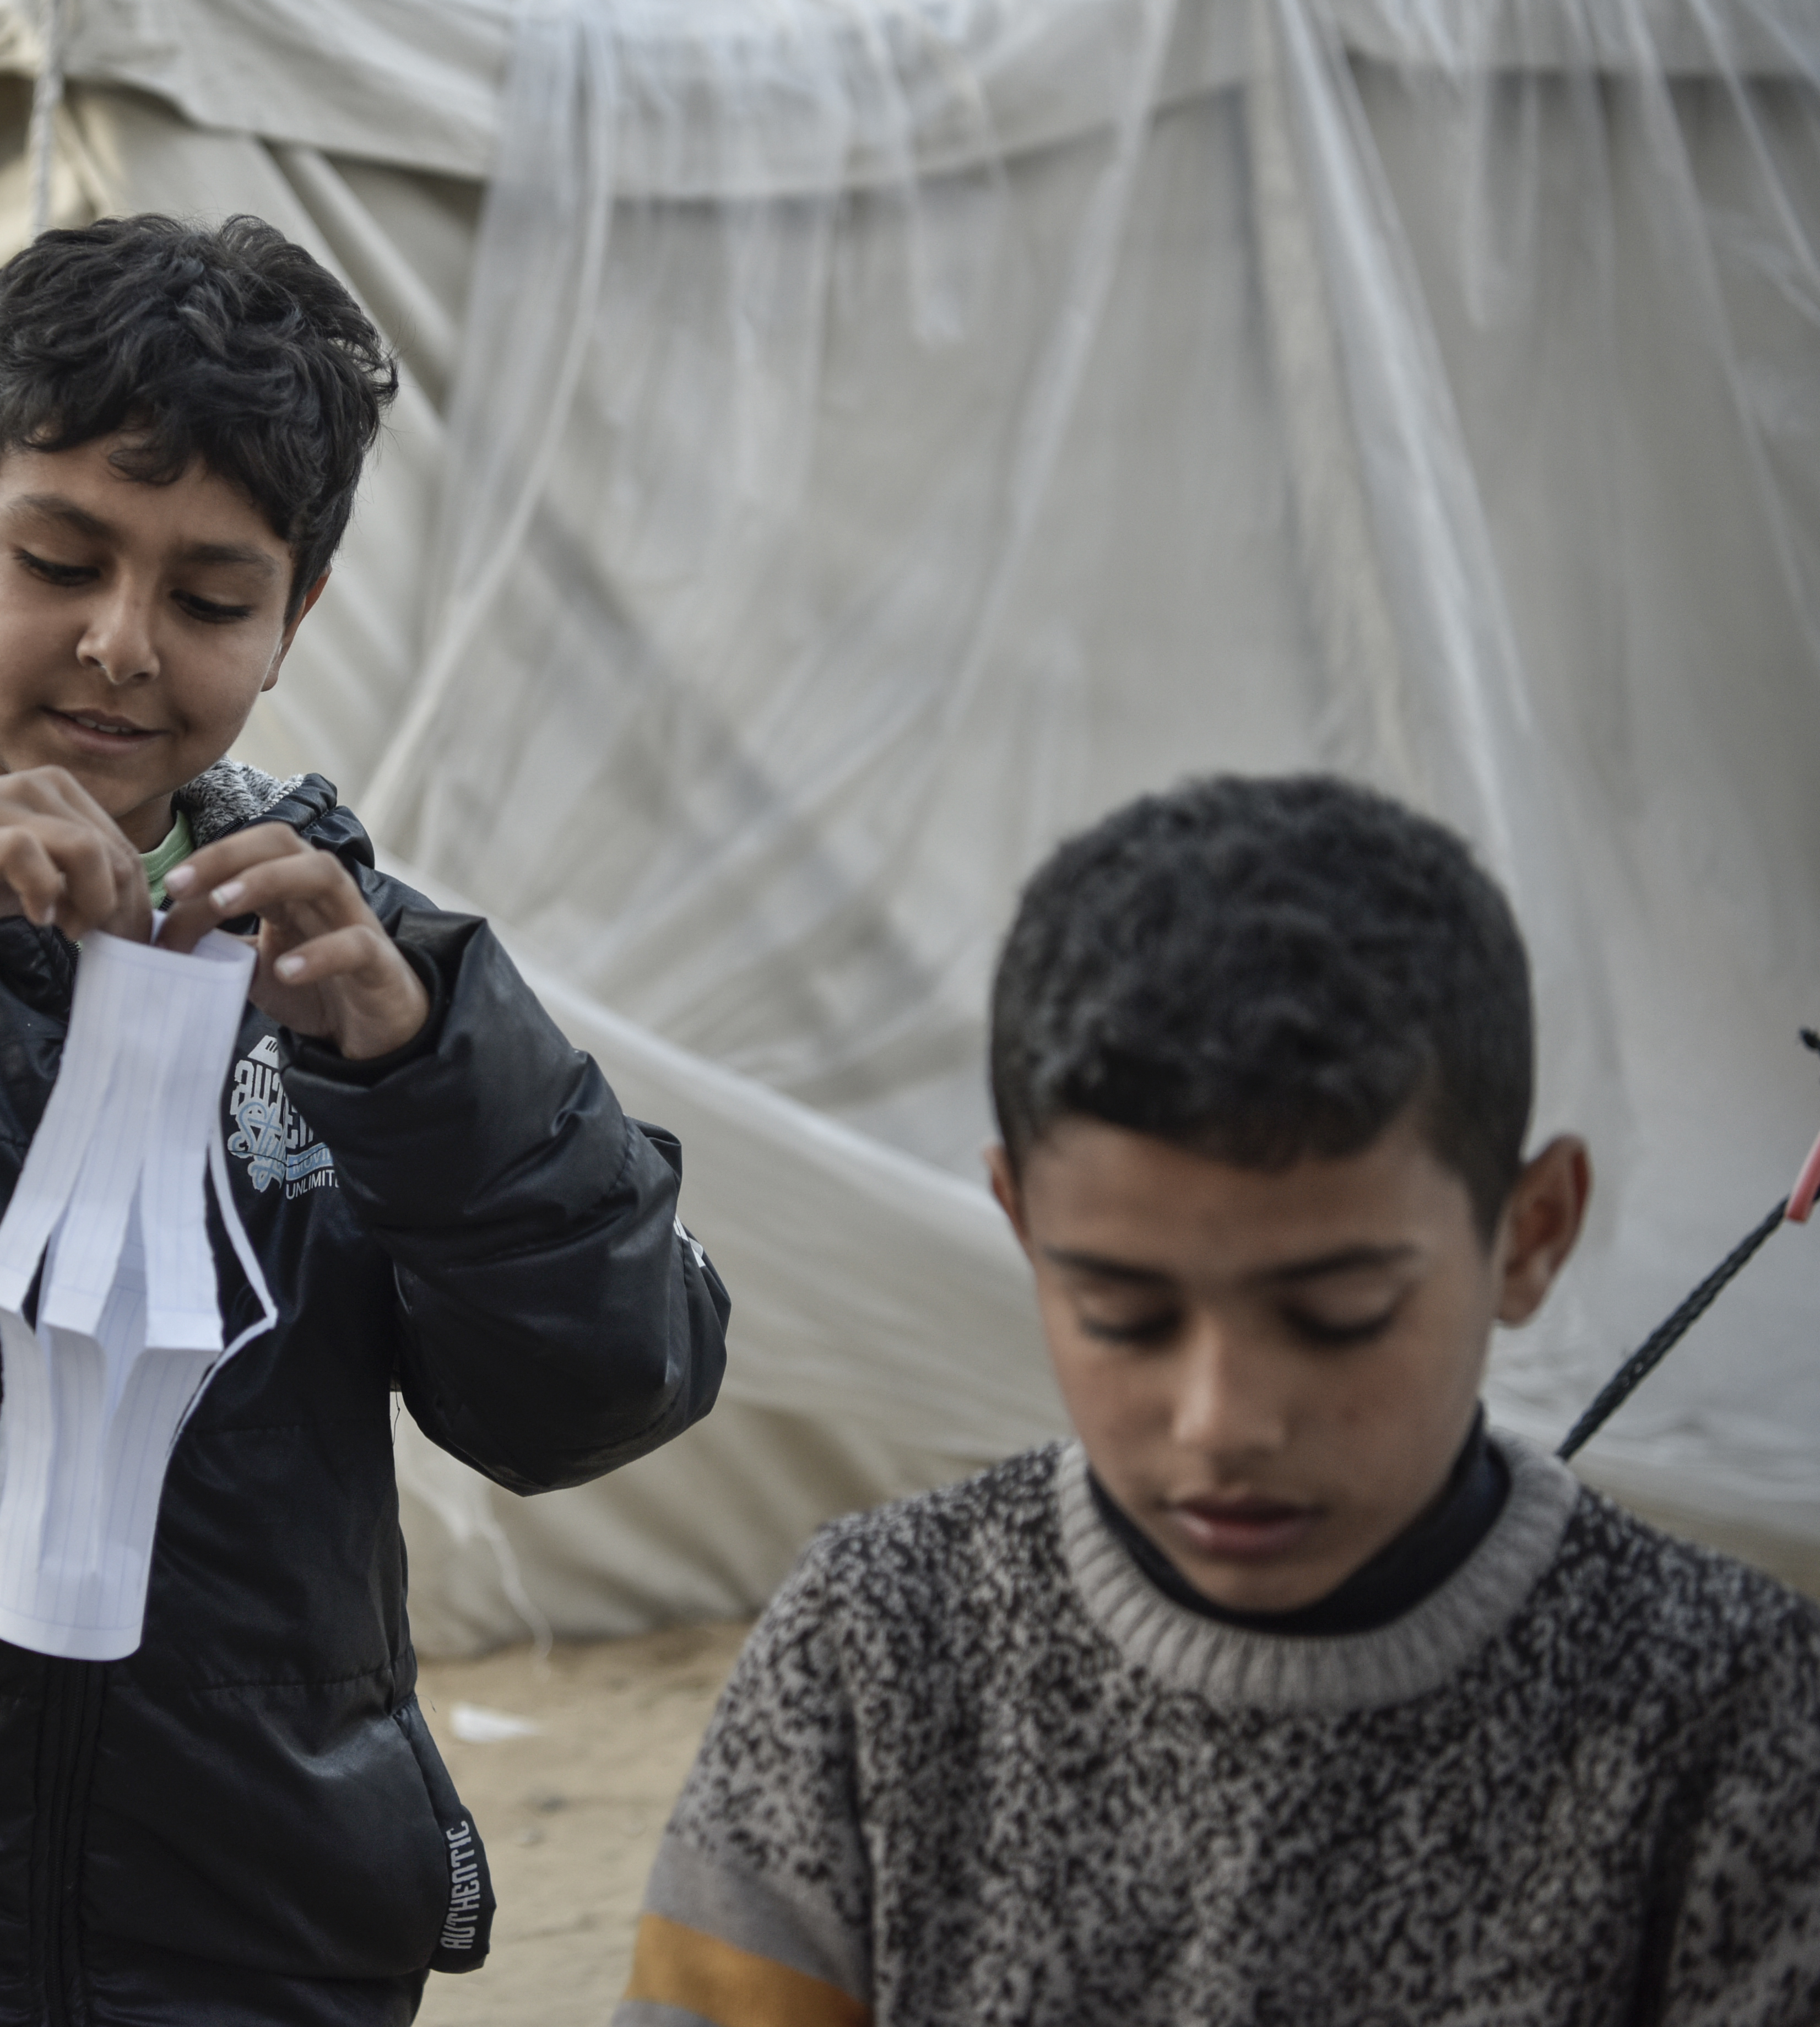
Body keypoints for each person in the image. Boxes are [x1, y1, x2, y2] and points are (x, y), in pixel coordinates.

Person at [0, 212, 732, 2025]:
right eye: (60, 557)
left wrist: (415, 1075)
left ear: (298, 610)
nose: (117, 647)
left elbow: (611, 1385)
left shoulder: (357, 977)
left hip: (250, 1949)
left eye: (209, 597)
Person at [619, 776, 1820, 2026]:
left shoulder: (1740, 1719)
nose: (1223, 1420)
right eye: (1127, 1315)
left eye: (1339, 1315)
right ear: (1026, 1224)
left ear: (1531, 1235)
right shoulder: (875, 1650)